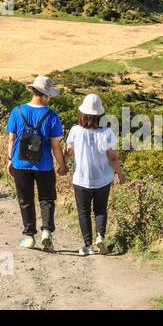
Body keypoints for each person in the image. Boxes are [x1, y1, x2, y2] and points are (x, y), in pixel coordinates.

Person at [5, 76, 66, 251]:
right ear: (46, 96)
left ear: (32, 90)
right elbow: (55, 145)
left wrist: (10, 160)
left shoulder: (17, 111)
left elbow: (11, 139)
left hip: (20, 163)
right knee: (47, 199)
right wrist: (62, 164)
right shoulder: (52, 116)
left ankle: (29, 236)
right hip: (44, 165)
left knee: (25, 199)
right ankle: (47, 232)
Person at [64, 93, 125, 255]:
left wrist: (62, 162)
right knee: (100, 210)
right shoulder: (107, 132)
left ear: (83, 114)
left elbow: (68, 152)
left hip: (81, 178)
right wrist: (120, 173)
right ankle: (100, 237)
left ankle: (88, 245)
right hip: (103, 178)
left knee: (83, 212)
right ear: (100, 115)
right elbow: (112, 157)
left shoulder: (75, 131)